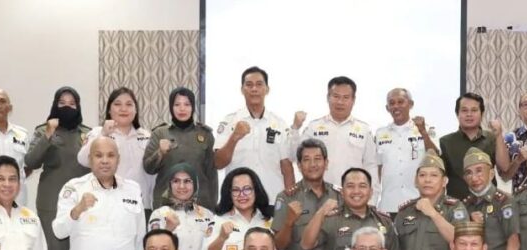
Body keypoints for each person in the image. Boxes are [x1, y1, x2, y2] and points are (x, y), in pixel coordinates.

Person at [24, 86, 90, 250]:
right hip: (51, 201)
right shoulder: (44, 129)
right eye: (62, 103)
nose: (67, 107)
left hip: (83, 203)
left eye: (72, 103)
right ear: (54, 105)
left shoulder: (87, 134)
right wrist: (48, 135)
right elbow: (30, 161)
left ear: (78, 106)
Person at [214, 66, 296, 201]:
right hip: (238, 200)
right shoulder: (229, 121)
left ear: (267, 89)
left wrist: (291, 201)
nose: (254, 89)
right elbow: (218, 163)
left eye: (259, 84)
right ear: (242, 89)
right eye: (249, 85)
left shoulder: (280, 124)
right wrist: (234, 138)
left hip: (272, 199)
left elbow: (286, 167)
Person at [295, 76, 379, 202]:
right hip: (318, 198)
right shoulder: (314, 127)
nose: (340, 102)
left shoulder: (363, 130)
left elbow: (371, 165)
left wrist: (372, 201)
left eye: (346, 97)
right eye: (336, 96)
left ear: (353, 100)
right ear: (328, 97)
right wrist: (295, 129)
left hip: (352, 198)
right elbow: (295, 156)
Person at [301, 167, 399, 250]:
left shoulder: (384, 221)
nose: (356, 191)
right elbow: (306, 245)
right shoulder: (330, 219)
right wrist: (321, 212)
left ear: (370, 192)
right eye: (350, 186)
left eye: (362, 186)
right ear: (342, 192)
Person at [78, 87, 156, 216]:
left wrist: (152, 204)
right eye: (117, 104)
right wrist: (103, 134)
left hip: (140, 205)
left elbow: (153, 174)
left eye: (129, 104)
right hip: (107, 204)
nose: (123, 109)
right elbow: (82, 160)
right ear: (109, 109)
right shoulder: (98, 132)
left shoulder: (147, 136)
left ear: (135, 110)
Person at [144, 87, 223, 210]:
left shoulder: (205, 134)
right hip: (166, 204)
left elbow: (211, 174)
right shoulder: (160, 133)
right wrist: (160, 152)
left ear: (193, 107)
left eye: (187, 104)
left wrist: (212, 206)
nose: (182, 109)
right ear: (171, 107)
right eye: (177, 104)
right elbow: (148, 168)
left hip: (199, 206)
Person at [202, 167, 276, 250]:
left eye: (247, 189)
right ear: (229, 193)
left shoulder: (269, 221)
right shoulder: (218, 220)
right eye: (236, 190)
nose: (242, 195)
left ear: (256, 191)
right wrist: (221, 237)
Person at [149, 163, 214, 250]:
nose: (182, 186)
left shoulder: (207, 215)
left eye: (187, 181)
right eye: (176, 181)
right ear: (169, 185)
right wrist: (168, 230)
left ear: (195, 185)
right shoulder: (159, 214)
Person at [375, 88, 439, 214]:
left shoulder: (426, 129)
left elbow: (436, 157)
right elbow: (377, 170)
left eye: (400, 102)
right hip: (388, 204)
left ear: (410, 104)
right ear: (387, 108)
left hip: (418, 203)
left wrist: (423, 132)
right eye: (392, 103)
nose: (396, 106)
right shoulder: (380, 133)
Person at [439, 93, 509, 199]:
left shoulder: (492, 138)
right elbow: (440, 178)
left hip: (489, 203)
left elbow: (505, 167)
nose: (469, 114)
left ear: (482, 113)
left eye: (474, 110)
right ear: (457, 114)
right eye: (464, 110)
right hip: (457, 205)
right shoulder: (446, 142)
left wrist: (499, 135)